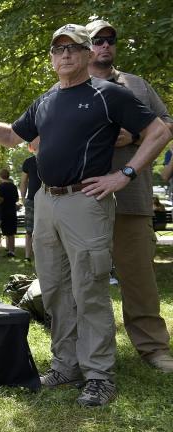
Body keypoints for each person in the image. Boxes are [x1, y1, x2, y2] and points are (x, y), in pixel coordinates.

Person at [0, 24, 171, 407]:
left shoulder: (109, 94)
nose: (66, 54)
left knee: (89, 289)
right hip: (47, 202)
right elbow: (12, 136)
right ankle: (65, 365)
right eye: (58, 49)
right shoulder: (45, 100)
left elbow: (159, 131)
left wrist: (125, 174)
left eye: (74, 47)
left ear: (89, 54)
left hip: (85, 202)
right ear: (52, 58)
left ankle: (99, 375)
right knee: (55, 289)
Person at [87, 19, 173, 373]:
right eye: (97, 40)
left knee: (138, 277)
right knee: (84, 279)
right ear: (82, 46)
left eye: (110, 40)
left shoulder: (137, 85)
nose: (105, 46)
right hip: (83, 199)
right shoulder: (68, 85)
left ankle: (153, 348)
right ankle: (88, 350)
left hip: (131, 195)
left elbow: (166, 125)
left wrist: (134, 137)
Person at [19, 151, 41, 261]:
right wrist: (23, 198)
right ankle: (27, 256)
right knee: (29, 230)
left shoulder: (52, 157)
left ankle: (42, 255)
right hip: (32, 200)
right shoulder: (28, 162)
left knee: (47, 230)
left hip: (49, 199)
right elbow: (23, 181)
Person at [0, 168, 19, 257]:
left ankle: (9, 250)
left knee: (7, 231)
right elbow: (17, 199)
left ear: (0, 177)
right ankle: (11, 250)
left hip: (3, 211)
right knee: (11, 232)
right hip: (12, 210)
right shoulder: (13, 186)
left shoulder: (0, 187)